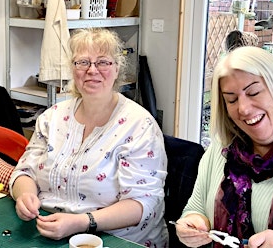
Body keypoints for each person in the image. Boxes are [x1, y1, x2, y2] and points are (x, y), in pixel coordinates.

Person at [9, 28, 168, 247]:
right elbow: (24, 172)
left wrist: (82, 222)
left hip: (117, 239)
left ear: (117, 68)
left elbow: (144, 202)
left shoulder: (139, 125)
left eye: (103, 62)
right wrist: (24, 196)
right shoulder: (52, 117)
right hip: (47, 229)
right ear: (73, 69)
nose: (92, 70)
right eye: (82, 62)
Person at [175, 46, 273, 248]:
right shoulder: (221, 150)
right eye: (231, 99)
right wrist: (193, 223)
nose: (243, 109)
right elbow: (195, 210)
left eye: (254, 92)